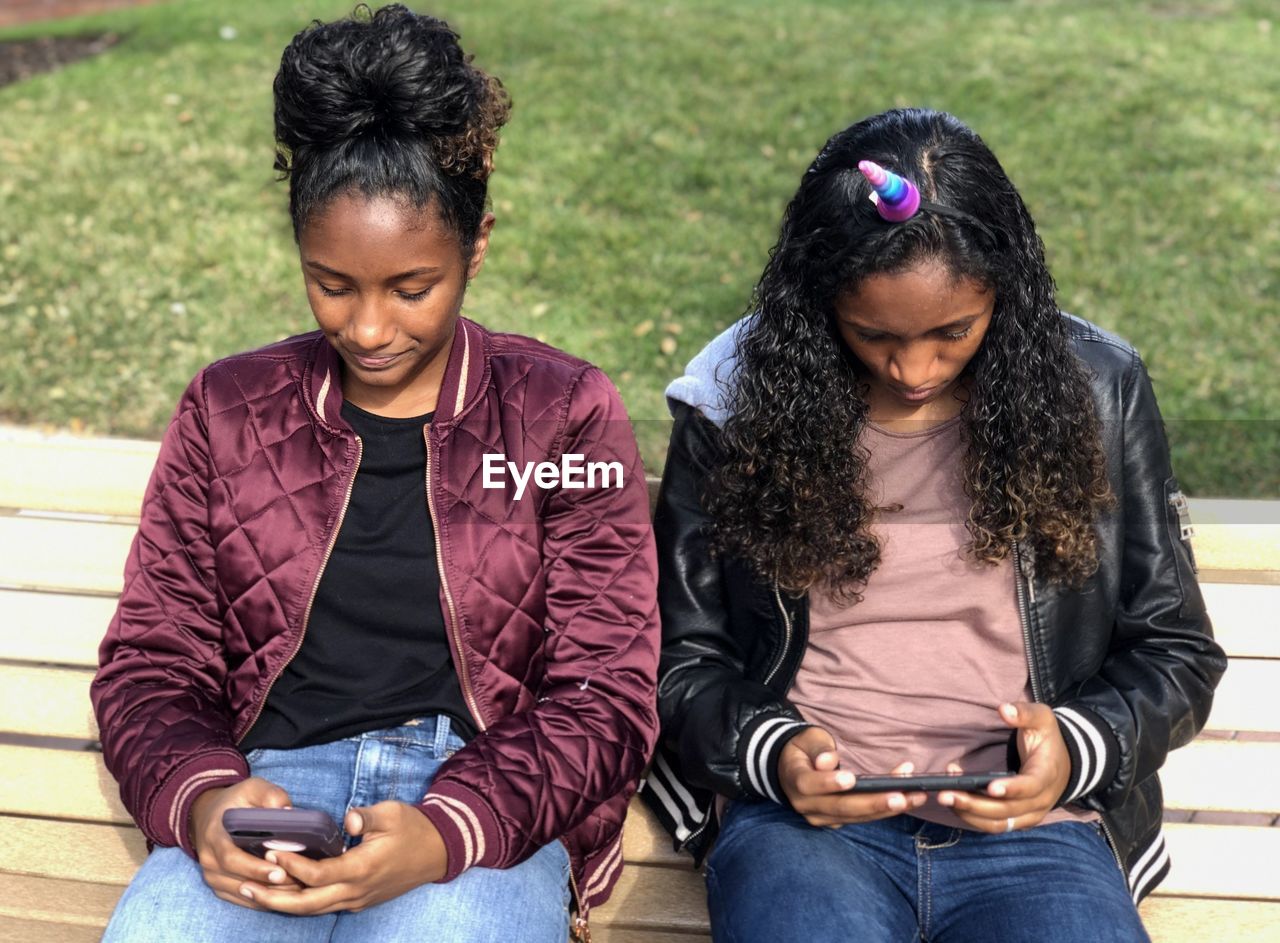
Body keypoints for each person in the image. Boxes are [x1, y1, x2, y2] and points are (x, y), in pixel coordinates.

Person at [91, 6, 659, 941]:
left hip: (484, 803)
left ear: (474, 249)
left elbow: (605, 691)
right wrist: (203, 801)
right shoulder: (225, 408)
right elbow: (152, 663)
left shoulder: (565, 412)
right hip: (270, 788)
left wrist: (447, 831)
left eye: (411, 287)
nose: (365, 328)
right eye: (332, 282)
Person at [641, 108, 1225, 942]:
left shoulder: (1097, 391)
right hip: (806, 827)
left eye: (953, 331)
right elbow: (681, 653)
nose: (912, 369)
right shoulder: (737, 403)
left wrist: (1074, 745)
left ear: (1005, 291)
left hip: (1037, 826)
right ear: (819, 304)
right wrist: (771, 752)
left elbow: (1176, 647)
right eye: (873, 334)